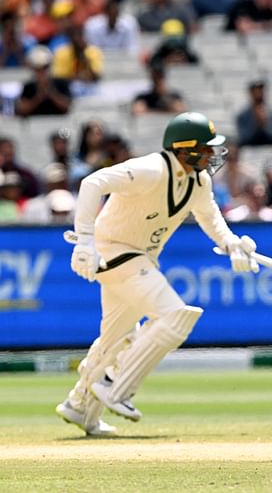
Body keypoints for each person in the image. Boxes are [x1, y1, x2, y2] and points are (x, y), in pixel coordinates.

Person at [55, 112, 260, 436]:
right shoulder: (150, 169)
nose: (212, 155)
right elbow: (93, 182)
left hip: (140, 259)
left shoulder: (199, 181)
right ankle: (114, 383)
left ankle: (80, 406)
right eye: (206, 149)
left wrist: (231, 243)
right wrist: (84, 240)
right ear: (185, 149)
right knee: (176, 316)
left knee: (117, 339)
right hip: (115, 252)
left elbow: (211, 218)